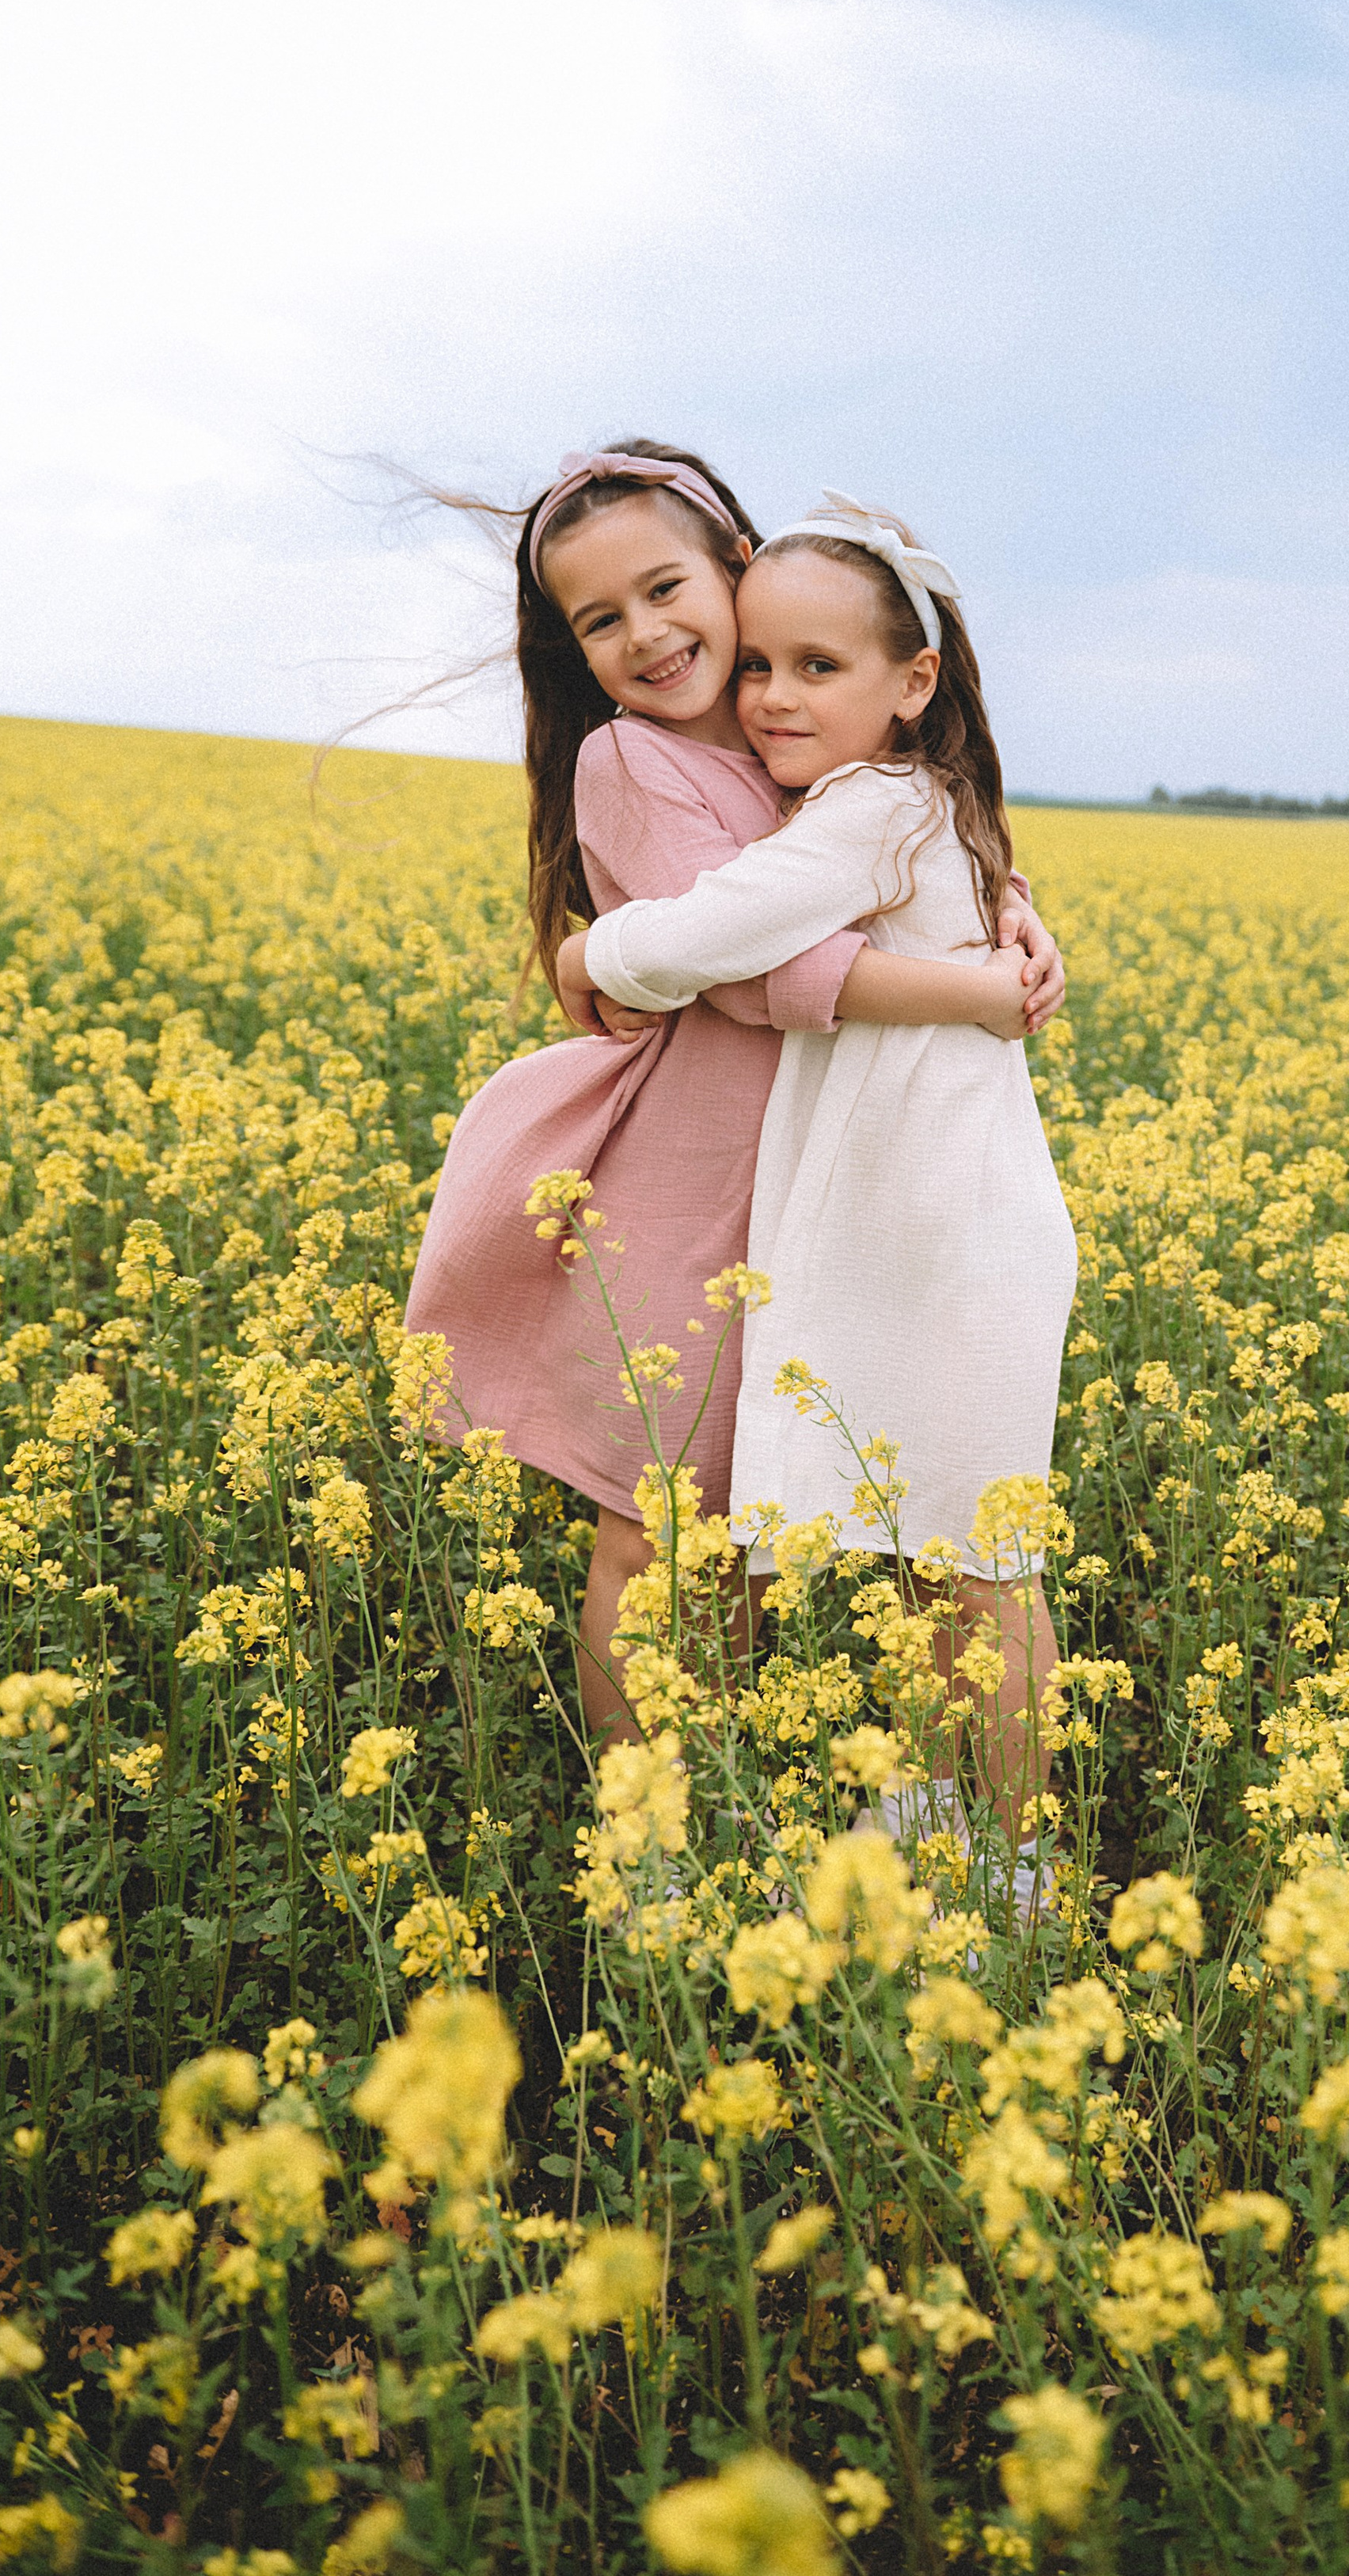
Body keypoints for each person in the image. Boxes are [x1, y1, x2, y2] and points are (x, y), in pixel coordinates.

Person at [404, 444, 1065, 1745]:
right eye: (602, 619)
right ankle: (648, 1846)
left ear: (738, 571)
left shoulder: (813, 741)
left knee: (844, 1527)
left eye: (666, 589)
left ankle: (737, 1816)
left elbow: (929, 846)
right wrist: (980, 992)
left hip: (837, 1181)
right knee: (662, 1531)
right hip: (697, 1184)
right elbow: (771, 970)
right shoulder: (636, 764)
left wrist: (1020, 923)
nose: (647, 635)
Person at [570, 494, 1078, 1859]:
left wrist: (593, 958)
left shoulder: (861, 811)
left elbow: (728, 938)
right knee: (942, 1557)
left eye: (814, 668)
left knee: (969, 1566)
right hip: (940, 1222)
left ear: (912, 684)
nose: (773, 695)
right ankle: (939, 1827)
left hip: (928, 1232)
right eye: (763, 668)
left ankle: (1012, 1869)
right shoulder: (932, 800)